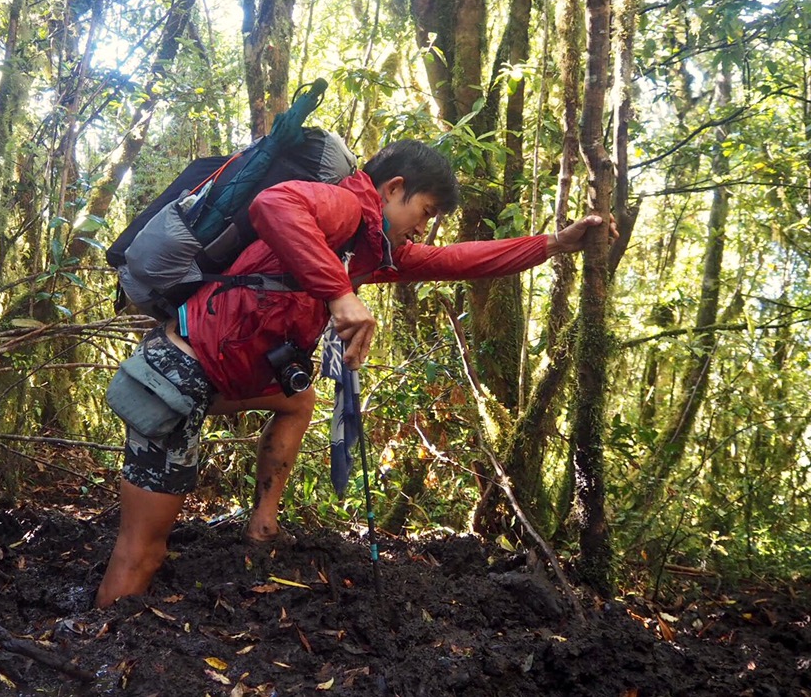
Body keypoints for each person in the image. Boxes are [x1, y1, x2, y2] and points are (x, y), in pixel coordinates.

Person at [95, 139, 611, 607]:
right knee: (142, 552)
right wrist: (340, 296)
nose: (424, 228)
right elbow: (274, 204)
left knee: (296, 401)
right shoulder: (342, 207)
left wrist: (554, 244)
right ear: (395, 188)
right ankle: (100, 643)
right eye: (425, 212)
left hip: (207, 378)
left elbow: (457, 260)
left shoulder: (367, 250)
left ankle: (262, 525)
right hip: (173, 381)